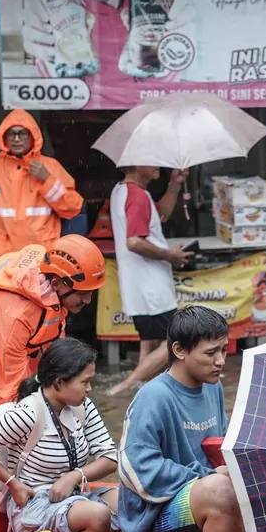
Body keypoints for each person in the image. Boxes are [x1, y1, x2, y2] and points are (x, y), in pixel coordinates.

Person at [0, 235, 106, 437]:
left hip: (17, 341)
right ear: (57, 283)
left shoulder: (53, 285)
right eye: (83, 293)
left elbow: (57, 363)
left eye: (91, 292)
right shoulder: (17, 313)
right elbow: (11, 390)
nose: (88, 300)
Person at [0, 338, 122, 532]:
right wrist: (13, 483)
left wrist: (74, 477)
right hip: (35, 504)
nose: (90, 389)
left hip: (75, 494)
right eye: (85, 382)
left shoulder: (83, 407)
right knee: (98, 514)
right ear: (59, 382)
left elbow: (111, 457)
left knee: (133, 503)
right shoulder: (28, 414)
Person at [116, 306, 247, 532]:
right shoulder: (153, 397)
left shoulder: (213, 387)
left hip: (205, 496)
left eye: (223, 350)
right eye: (210, 353)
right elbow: (136, 470)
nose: (220, 361)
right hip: (155, 521)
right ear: (179, 350)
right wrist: (208, 475)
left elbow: (223, 444)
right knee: (219, 489)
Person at [105, 165, 195, 396]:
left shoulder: (122, 191)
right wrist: (170, 255)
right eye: (152, 160)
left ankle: (140, 393)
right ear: (136, 164)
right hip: (151, 285)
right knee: (177, 340)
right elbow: (134, 242)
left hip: (138, 284)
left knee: (151, 341)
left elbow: (160, 214)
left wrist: (174, 185)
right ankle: (122, 388)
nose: (158, 165)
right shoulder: (137, 196)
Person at [0, 109, 83, 264]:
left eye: (22, 133)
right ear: (4, 138)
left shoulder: (50, 167)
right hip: (2, 260)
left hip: (40, 259)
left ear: (32, 136)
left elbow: (73, 208)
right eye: (11, 134)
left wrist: (47, 180)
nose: (16, 139)